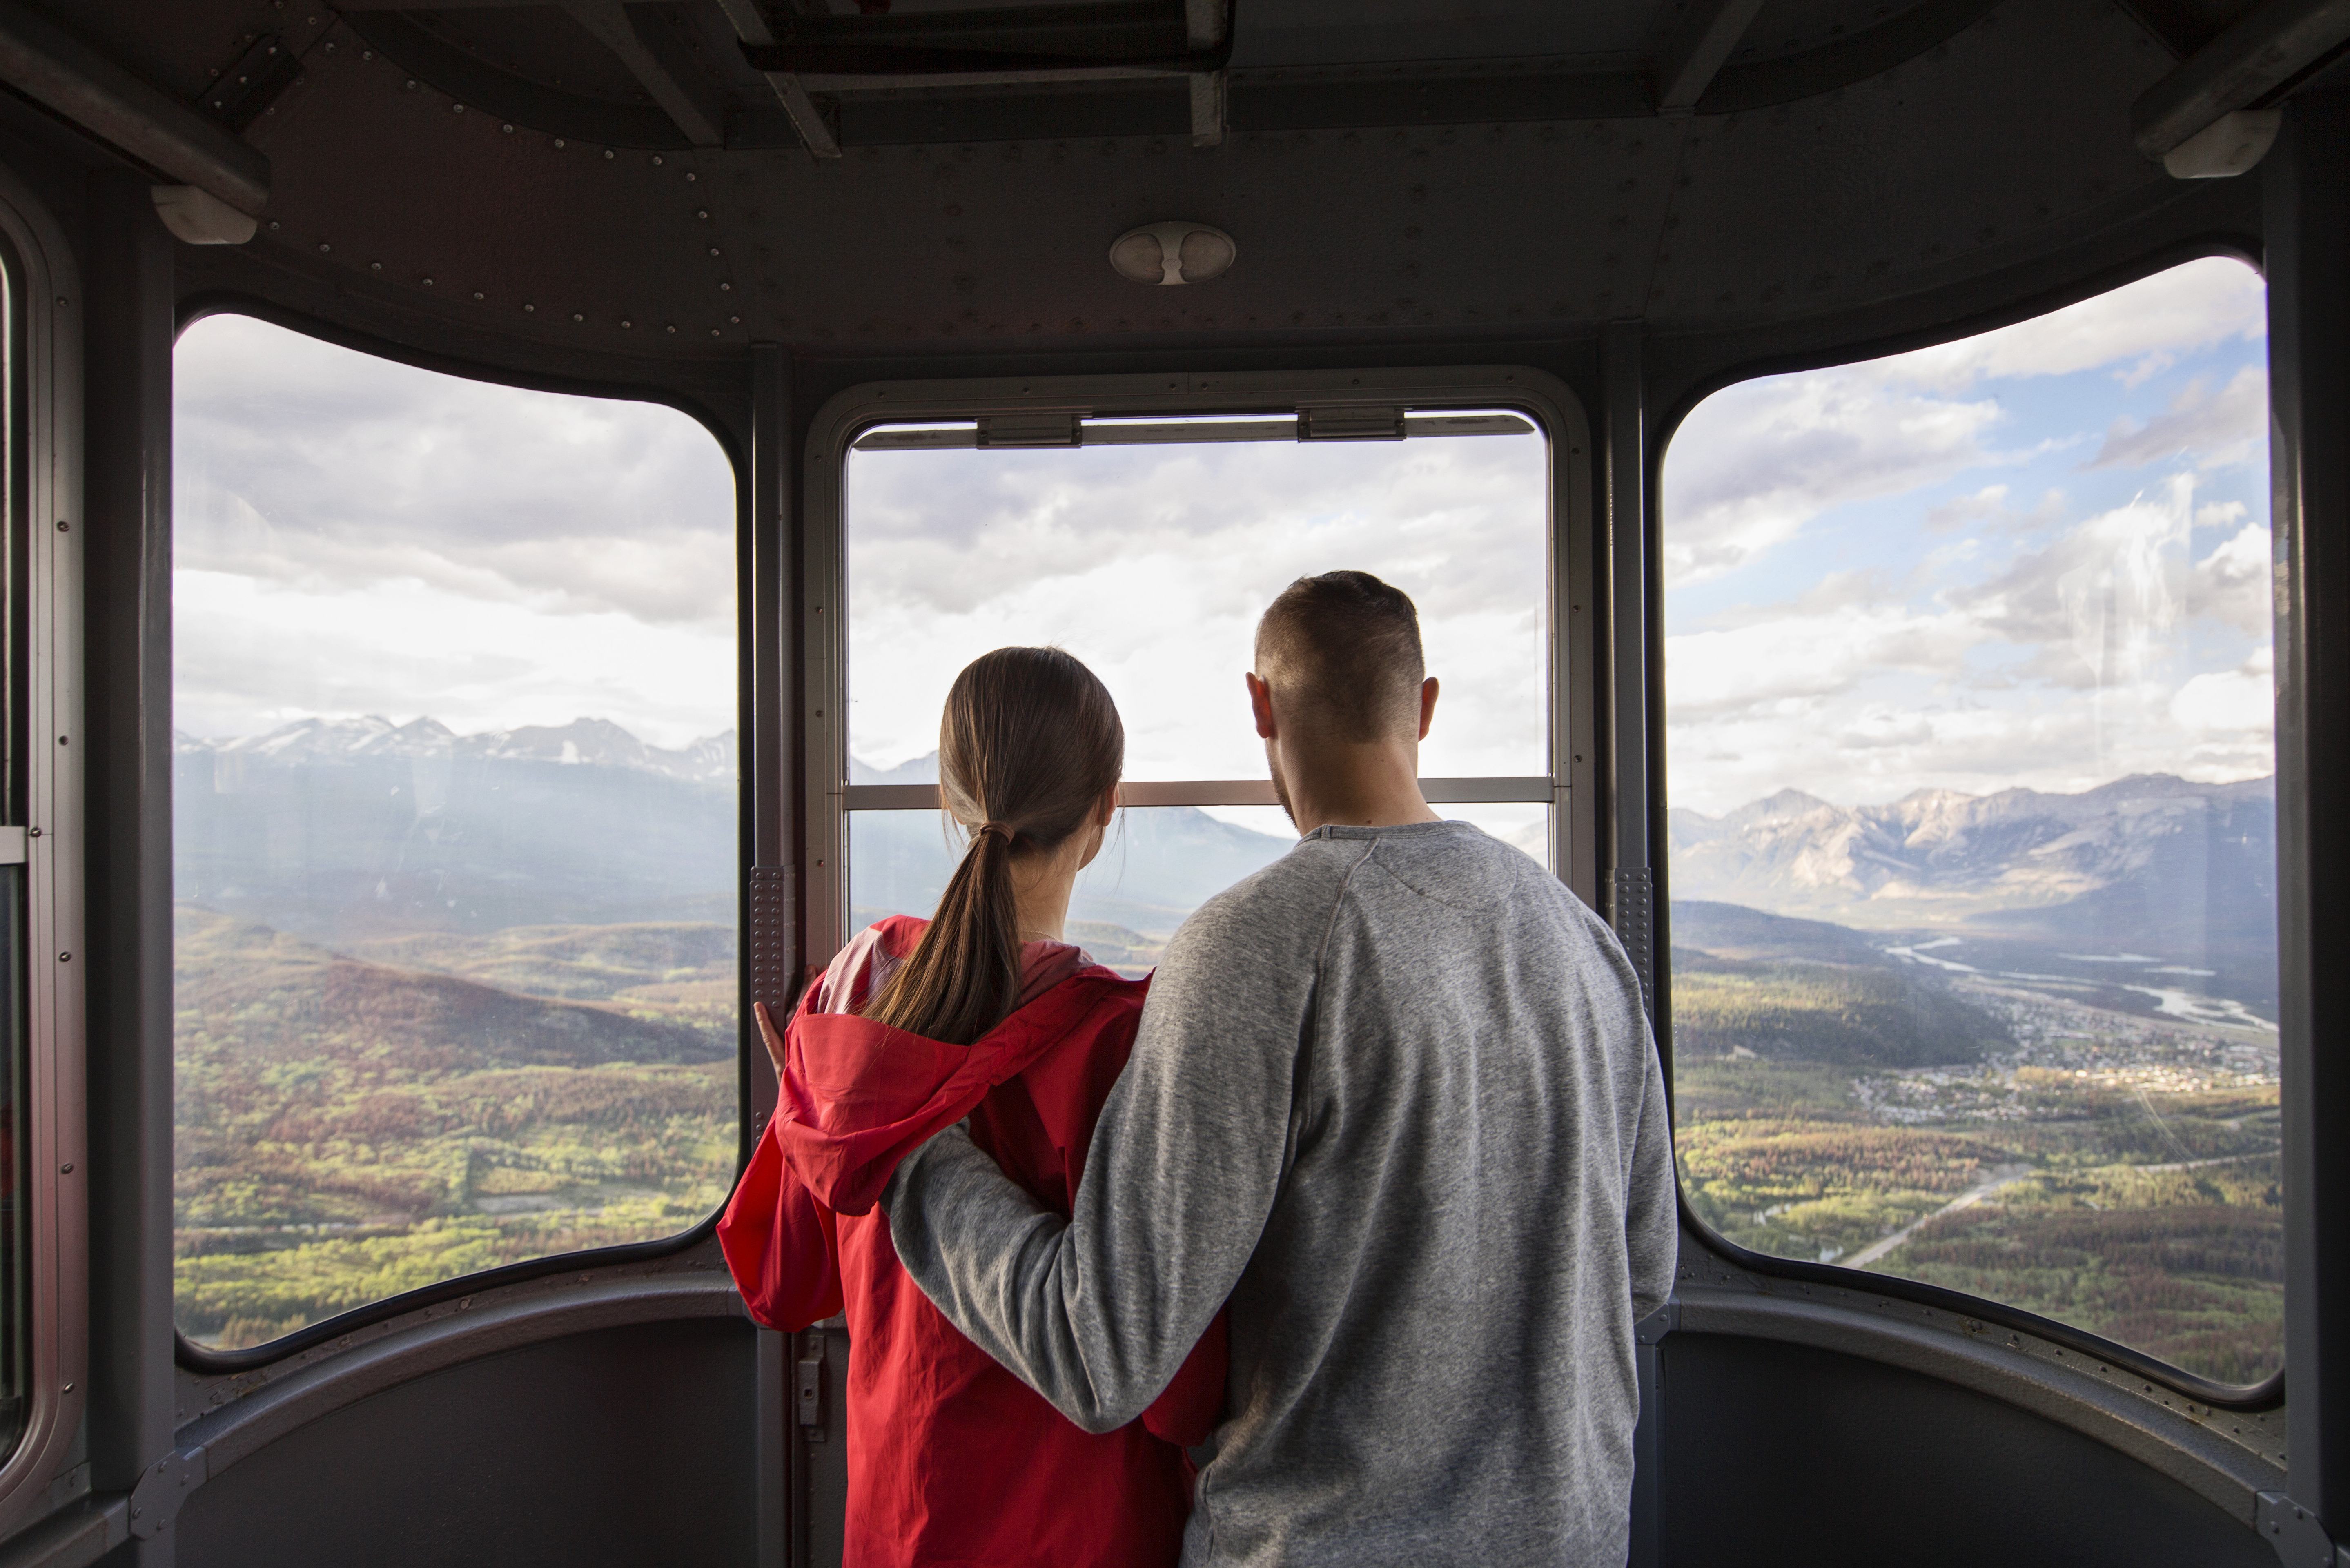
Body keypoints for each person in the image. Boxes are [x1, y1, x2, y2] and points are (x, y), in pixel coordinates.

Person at [883, 570, 1677, 1567]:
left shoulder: (1252, 947)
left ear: (1259, 704)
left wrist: (912, 1154)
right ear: (1424, 709)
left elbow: (1102, 1353)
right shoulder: (1589, 946)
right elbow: (1643, 1280)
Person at [719, 645, 1227, 1568]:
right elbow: (1177, 1391)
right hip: (1087, 1541)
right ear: (1103, 815)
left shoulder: (847, 995)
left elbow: (784, 1287)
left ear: (950, 803)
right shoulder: (1122, 1041)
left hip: (898, 1529)